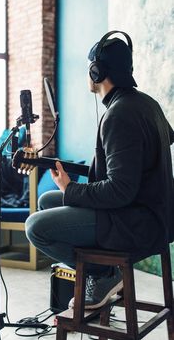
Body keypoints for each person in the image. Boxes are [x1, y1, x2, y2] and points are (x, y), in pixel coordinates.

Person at [23, 30, 174, 309]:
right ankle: (103, 271)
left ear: (97, 72)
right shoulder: (146, 104)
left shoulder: (119, 114)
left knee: (35, 227)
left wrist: (71, 188)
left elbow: (120, 190)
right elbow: (139, 157)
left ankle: (103, 273)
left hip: (137, 223)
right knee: (47, 200)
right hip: (154, 215)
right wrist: (72, 186)